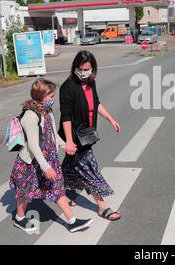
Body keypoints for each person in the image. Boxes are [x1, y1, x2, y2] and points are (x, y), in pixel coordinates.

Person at [9, 78, 93, 233]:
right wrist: (46, 167)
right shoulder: (30, 115)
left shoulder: (47, 111)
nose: (53, 99)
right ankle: (19, 218)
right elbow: (33, 145)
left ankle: (72, 221)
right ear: (40, 95)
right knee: (26, 192)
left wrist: (64, 145)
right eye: (51, 96)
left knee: (57, 189)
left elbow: (53, 134)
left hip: (48, 159)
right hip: (32, 162)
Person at [59, 50, 122, 221]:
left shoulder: (90, 82)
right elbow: (65, 116)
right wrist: (69, 142)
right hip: (74, 136)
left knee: (70, 166)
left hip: (86, 134)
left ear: (92, 68)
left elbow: (96, 103)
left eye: (87, 69)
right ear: (75, 68)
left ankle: (60, 191)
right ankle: (102, 207)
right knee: (90, 168)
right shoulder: (68, 87)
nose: (83, 72)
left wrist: (111, 119)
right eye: (80, 69)